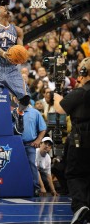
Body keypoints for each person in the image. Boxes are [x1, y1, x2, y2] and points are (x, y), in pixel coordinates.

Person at [0, 5, 30, 134]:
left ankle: (19, 114)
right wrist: (4, 54)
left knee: (25, 99)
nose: (6, 8)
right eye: (3, 7)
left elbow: (20, 49)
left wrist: (20, 56)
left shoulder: (18, 30)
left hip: (12, 68)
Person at [54, 57, 90, 224]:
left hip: (81, 136)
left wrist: (57, 94)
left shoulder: (81, 92)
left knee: (75, 173)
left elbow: (59, 109)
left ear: (83, 72)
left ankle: (80, 207)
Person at [20, 105, 47, 196]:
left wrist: (38, 140)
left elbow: (43, 128)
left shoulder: (35, 112)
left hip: (30, 144)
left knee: (32, 164)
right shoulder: (13, 112)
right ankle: (16, 186)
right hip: (16, 144)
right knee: (16, 165)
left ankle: (36, 188)